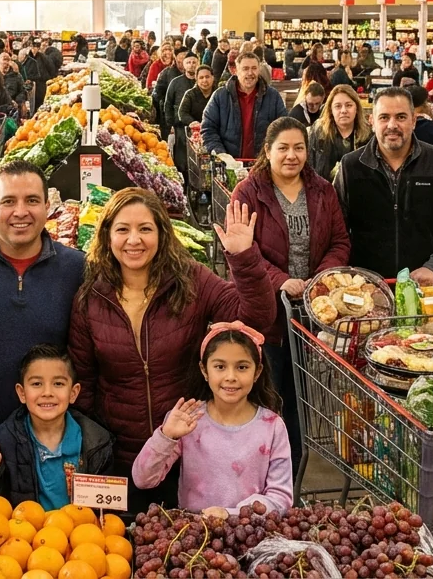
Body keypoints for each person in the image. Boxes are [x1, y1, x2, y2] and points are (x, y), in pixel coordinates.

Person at [69, 191, 275, 510]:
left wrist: (243, 258)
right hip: (120, 457)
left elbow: (255, 319)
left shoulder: (191, 281)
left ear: (162, 233)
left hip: (189, 452)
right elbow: (83, 382)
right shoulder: (91, 299)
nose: (134, 240)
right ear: (107, 235)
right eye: (122, 229)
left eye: (145, 229)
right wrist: (96, 447)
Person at [0, 161, 87, 497]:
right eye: (8, 201)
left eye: (32, 200)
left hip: (51, 447)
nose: (20, 212)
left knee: (55, 530)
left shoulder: (76, 269)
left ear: (48, 207)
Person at [231, 117, 349, 483]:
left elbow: (339, 242)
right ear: (267, 151)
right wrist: (282, 281)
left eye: (299, 148)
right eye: (283, 148)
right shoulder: (248, 193)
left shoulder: (322, 191)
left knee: (299, 400)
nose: (291, 155)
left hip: (311, 316)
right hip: (267, 315)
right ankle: (255, 475)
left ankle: (290, 476)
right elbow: (243, 250)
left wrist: (319, 282)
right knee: (265, 396)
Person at [131, 324, 293, 518]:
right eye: (220, 367)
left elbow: (280, 498)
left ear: (257, 372)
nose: (231, 377)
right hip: (194, 530)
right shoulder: (188, 420)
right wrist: (166, 436)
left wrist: (231, 514)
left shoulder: (272, 426)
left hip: (250, 530)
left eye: (242, 367)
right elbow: (143, 479)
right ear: (204, 370)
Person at [336, 88, 433, 286]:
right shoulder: (350, 167)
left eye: (401, 117)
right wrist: (347, 274)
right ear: (371, 121)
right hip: (365, 290)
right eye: (384, 117)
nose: (392, 125)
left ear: (414, 121)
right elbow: (336, 230)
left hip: (427, 287)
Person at [201, 52, 287, 159]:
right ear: (236, 71)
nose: (250, 73)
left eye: (254, 68)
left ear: (259, 70)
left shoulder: (273, 96)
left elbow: (283, 128)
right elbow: (208, 129)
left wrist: (271, 155)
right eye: (245, 69)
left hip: (263, 162)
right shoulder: (220, 96)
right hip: (228, 164)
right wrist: (221, 155)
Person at [307, 84, 372, 182]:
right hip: (322, 189)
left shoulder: (368, 134)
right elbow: (309, 168)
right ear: (331, 110)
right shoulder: (318, 131)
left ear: (357, 108)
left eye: (349, 105)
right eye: (338, 106)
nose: (343, 111)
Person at [177, 63, 218, 129]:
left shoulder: (218, 94)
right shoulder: (190, 94)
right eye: (201, 78)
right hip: (195, 130)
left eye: (207, 77)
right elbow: (182, 112)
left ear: (212, 77)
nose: (205, 80)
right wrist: (192, 122)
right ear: (196, 79)